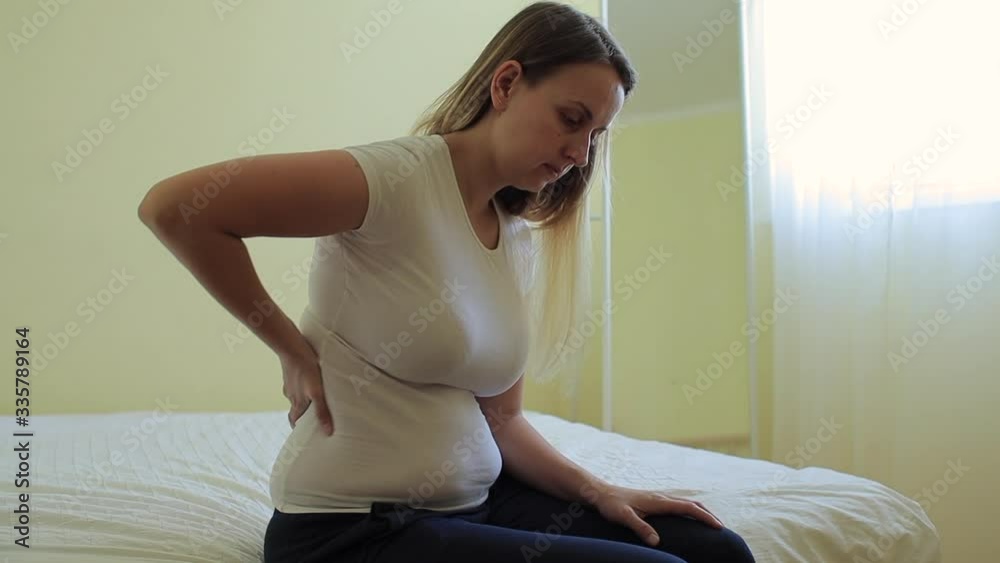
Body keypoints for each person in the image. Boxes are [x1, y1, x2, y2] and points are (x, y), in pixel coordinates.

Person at [138, 2, 756, 562]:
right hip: (356, 530)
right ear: (507, 83)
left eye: (595, 135)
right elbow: (177, 208)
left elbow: (503, 421)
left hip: (479, 505)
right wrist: (290, 349)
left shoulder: (515, 236)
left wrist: (600, 492)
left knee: (717, 552)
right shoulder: (395, 179)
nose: (580, 153)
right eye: (572, 119)